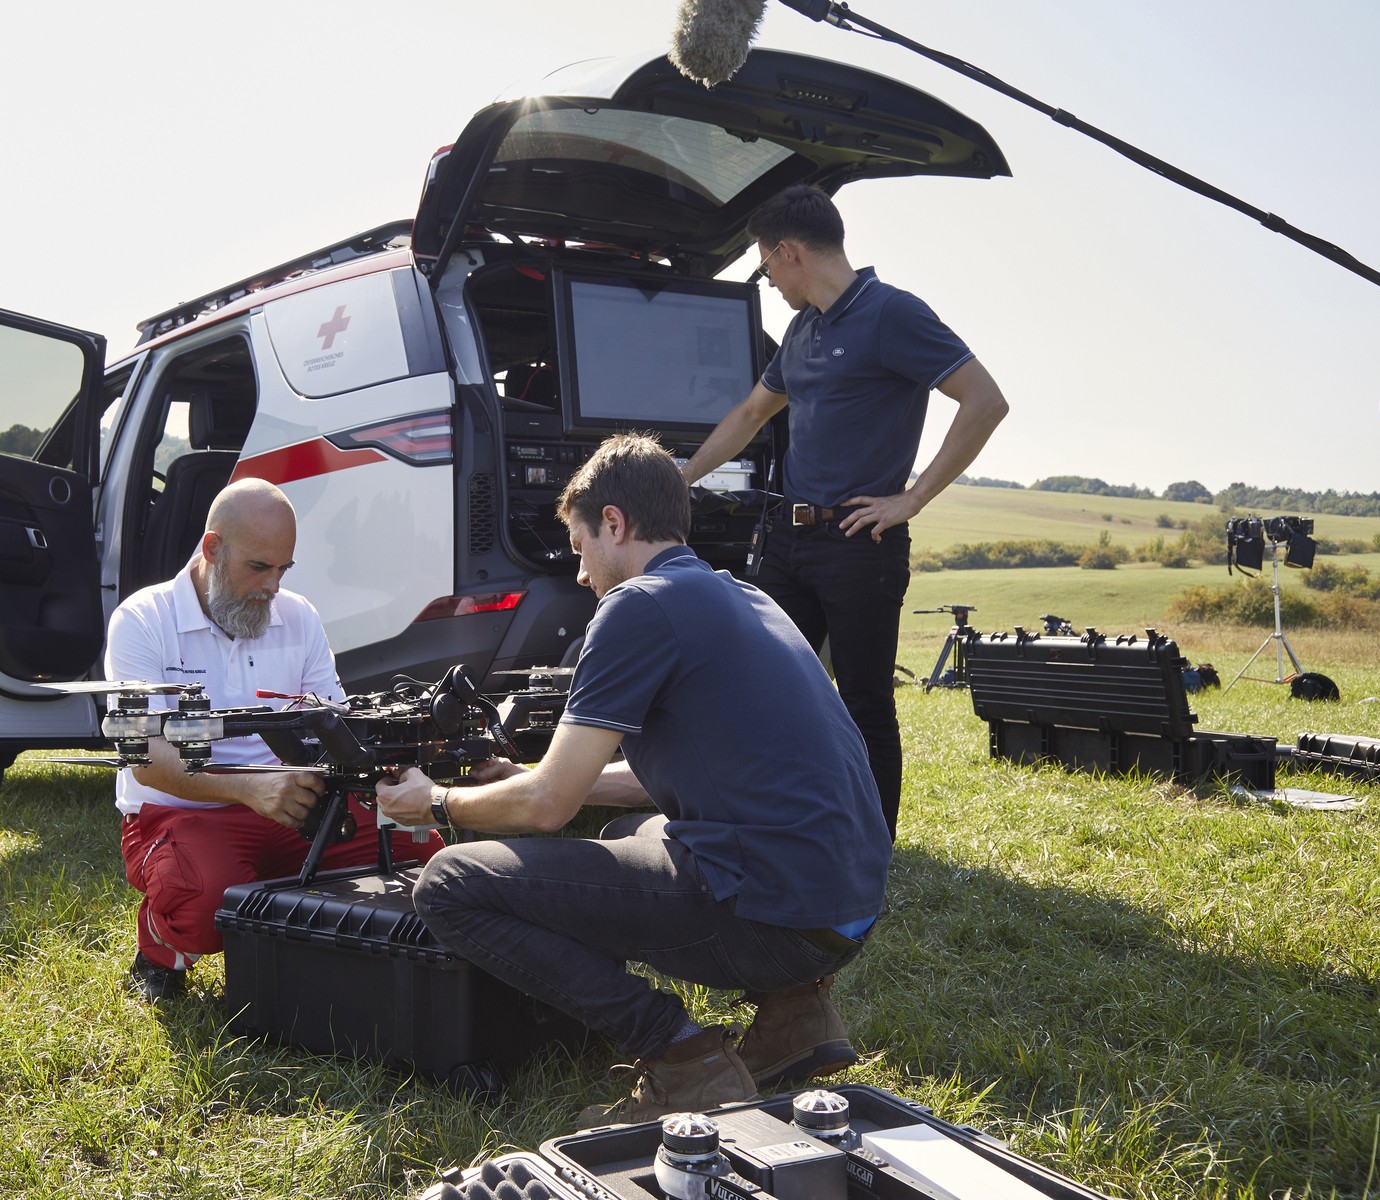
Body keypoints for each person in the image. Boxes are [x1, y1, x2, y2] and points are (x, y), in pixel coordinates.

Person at [377, 434, 890, 1126]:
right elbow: (664, 778)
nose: (582, 572)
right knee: (628, 832)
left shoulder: (635, 606)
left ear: (614, 523)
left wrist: (435, 800)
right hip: (843, 908)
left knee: (448, 884)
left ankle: (681, 1056)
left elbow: (548, 807)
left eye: (580, 545)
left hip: (776, 920)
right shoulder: (743, 596)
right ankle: (797, 1019)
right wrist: (537, 775)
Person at [681, 185, 1009, 837]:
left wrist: (911, 498)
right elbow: (751, 414)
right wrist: (681, 476)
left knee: (862, 702)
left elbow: (985, 400)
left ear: (789, 251)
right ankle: (773, 821)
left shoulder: (893, 314)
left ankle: (871, 846)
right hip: (787, 543)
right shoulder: (803, 329)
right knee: (762, 684)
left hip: (861, 547)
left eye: (765, 265)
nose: (768, 281)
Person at [109, 477, 442, 1003]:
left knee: (424, 865)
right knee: (202, 903)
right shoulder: (140, 621)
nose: (273, 586)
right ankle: (158, 943)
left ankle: (325, 943)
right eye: (259, 567)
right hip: (184, 811)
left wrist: (393, 764)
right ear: (212, 548)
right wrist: (248, 788)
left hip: (297, 803)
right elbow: (143, 758)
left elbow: (335, 723)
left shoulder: (299, 617)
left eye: (283, 569)